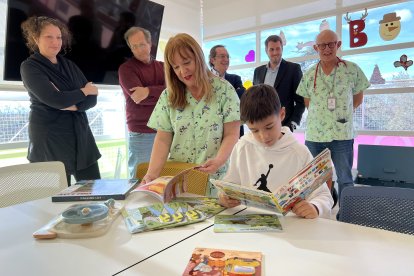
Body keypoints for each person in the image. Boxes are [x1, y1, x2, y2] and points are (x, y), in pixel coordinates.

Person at [141, 33, 240, 197]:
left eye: (187, 63)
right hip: (181, 181)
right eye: (176, 67)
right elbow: (162, 139)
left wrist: (219, 160)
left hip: (217, 180)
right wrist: (152, 174)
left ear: (199, 58)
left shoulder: (224, 90)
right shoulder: (169, 96)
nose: (182, 71)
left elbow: (232, 133)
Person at [219, 84, 333, 219]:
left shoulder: (299, 152)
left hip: (290, 227)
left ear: (282, 114)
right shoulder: (242, 147)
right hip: (250, 225)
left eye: (269, 127)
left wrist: (315, 207)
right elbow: (230, 185)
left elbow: (324, 196)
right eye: (254, 130)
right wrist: (224, 197)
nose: (263, 136)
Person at [20, 16, 101, 185]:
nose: (55, 42)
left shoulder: (69, 65)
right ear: (36, 38)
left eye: (58, 37)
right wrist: (83, 91)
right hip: (50, 139)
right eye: (49, 36)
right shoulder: (30, 67)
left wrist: (69, 102)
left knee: (94, 193)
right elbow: (56, 99)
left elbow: (91, 100)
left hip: (81, 136)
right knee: (56, 198)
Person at [296, 29, 370, 204]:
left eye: (331, 44)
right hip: (315, 135)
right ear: (316, 48)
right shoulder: (309, 74)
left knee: (345, 178)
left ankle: (347, 213)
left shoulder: (352, 69)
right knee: (314, 179)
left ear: (338, 45)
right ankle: (317, 211)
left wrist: (342, 113)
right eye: (322, 45)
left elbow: (358, 97)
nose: (327, 49)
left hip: (342, 134)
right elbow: (307, 101)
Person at [118, 27, 165, 178]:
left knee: (165, 178)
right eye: (134, 46)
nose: (138, 49)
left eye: (142, 44)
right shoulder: (126, 69)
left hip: (166, 130)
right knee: (141, 179)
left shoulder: (163, 67)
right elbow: (139, 98)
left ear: (150, 43)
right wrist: (163, 92)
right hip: (142, 133)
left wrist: (149, 91)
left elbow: (177, 93)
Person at [253, 35, 305, 132]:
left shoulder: (293, 69)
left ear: (282, 49)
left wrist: (293, 123)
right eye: (271, 49)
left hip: (284, 126)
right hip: (261, 126)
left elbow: (300, 101)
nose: (275, 52)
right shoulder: (258, 71)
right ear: (266, 51)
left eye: (278, 49)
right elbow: (255, 99)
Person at [209, 45, 245, 136]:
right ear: (212, 60)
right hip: (211, 132)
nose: (226, 59)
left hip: (234, 131)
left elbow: (243, 96)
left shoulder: (235, 79)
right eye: (222, 56)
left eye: (227, 56)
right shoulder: (203, 80)